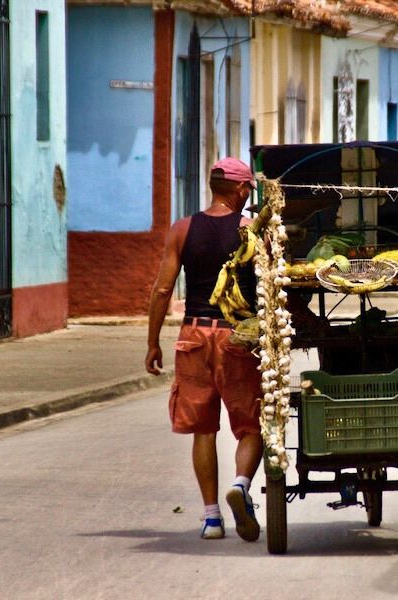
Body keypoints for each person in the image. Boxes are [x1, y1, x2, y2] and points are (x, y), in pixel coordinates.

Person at [145, 157, 263, 541]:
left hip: (193, 336)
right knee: (251, 426)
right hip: (236, 336)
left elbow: (163, 289)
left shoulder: (182, 229)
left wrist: (152, 343)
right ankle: (241, 485)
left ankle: (212, 517)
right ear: (241, 190)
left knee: (203, 429)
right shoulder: (250, 232)